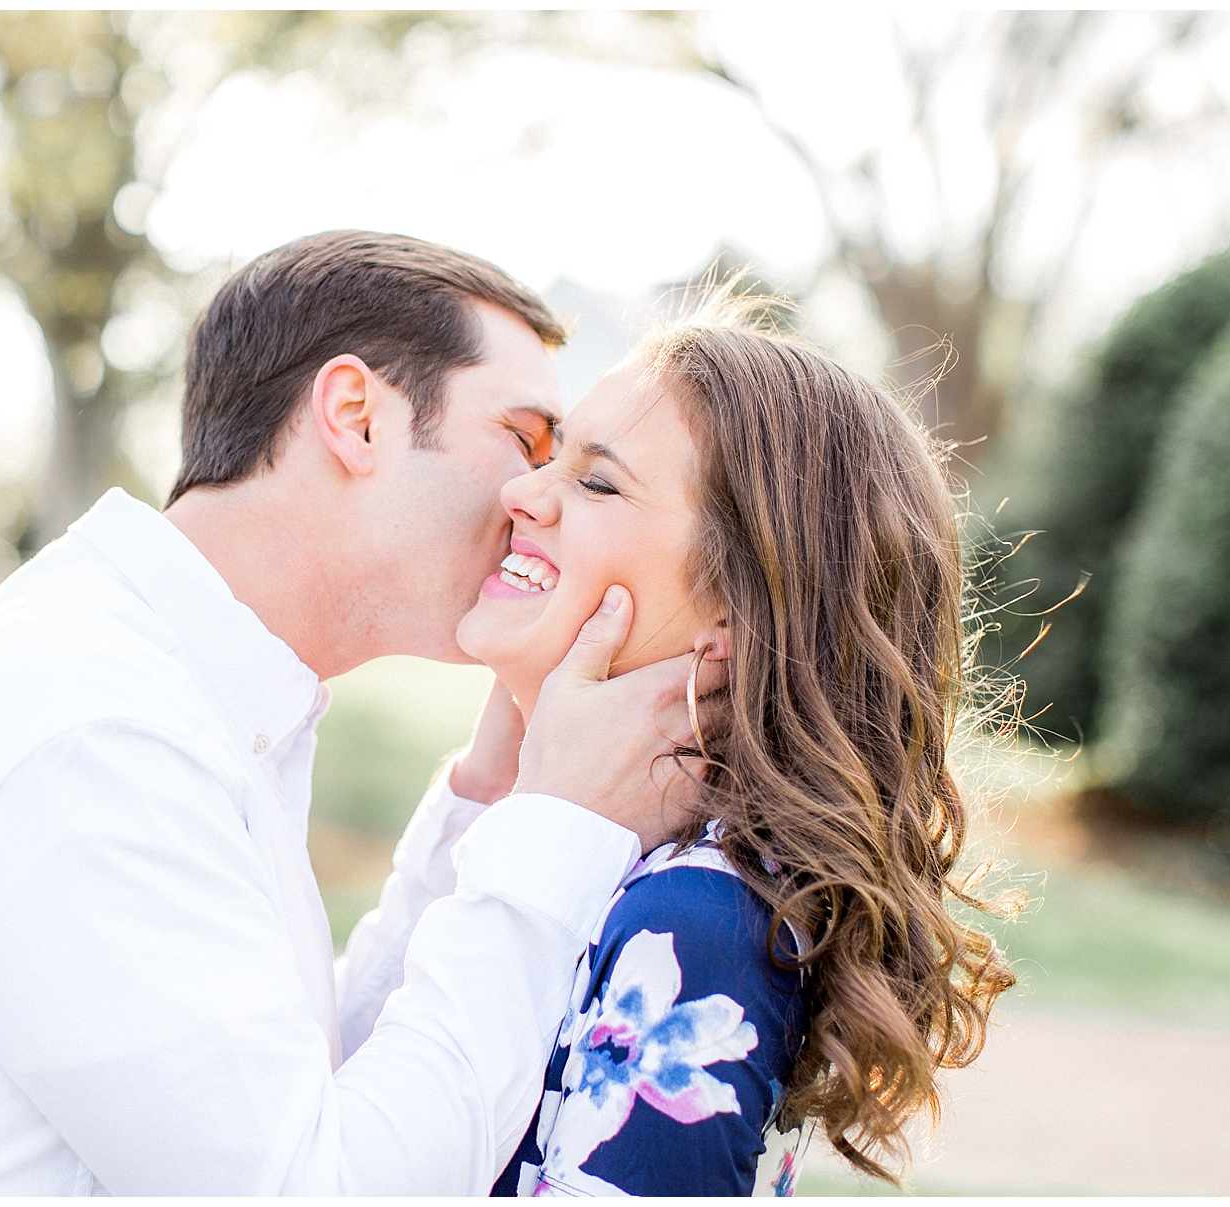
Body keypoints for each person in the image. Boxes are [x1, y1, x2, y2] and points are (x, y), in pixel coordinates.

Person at [0, 232, 711, 1196]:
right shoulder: (93, 732)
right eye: (524, 440)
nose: (532, 497)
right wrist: (558, 832)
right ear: (357, 416)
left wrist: (489, 799)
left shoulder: (179, 695)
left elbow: (291, 1097)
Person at [415, 294, 1017, 1195]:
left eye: (597, 481)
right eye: (549, 457)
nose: (521, 492)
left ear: (741, 606)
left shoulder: (701, 923)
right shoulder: (603, 854)